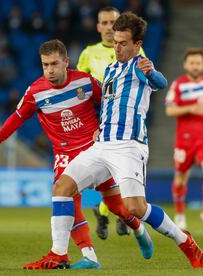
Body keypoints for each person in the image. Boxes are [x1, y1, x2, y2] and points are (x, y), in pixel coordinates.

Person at [25, 12, 203, 269]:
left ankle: (184, 240)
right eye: (116, 41)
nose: (117, 47)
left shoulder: (140, 65)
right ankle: (58, 254)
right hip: (102, 145)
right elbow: (108, 103)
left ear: (137, 44)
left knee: (135, 208)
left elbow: (160, 82)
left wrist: (152, 72)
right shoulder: (110, 69)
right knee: (61, 189)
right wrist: (101, 127)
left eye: (123, 43)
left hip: (128, 146)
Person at [0, 39, 153, 270]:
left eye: (54, 64)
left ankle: (140, 230)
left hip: (97, 151)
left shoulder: (85, 81)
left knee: (117, 207)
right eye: (45, 65)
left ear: (66, 62)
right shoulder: (35, 92)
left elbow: (110, 104)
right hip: (65, 155)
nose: (50, 70)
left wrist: (102, 128)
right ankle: (87, 256)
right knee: (68, 200)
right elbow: (18, 116)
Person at [77, 5, 147, 239]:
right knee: (109, 178)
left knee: (120, 177)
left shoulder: (136, 51)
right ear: (98, 27)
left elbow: (146, 80)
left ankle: (109, 211)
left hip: (125, 122)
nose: (108, 27)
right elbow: (80, 90)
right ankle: (118, 212)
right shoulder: (88, 53)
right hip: (99, 123)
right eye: (104, 23)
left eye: (112, 23)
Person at [165, 48, 203, 230]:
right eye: (192, 63)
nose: (195, 66)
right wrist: (190, 109)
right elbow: (170, 110)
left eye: (198, 63)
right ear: (186, 65)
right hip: (185, 140)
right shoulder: (178, 85)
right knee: (180, 179)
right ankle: (180, 214)